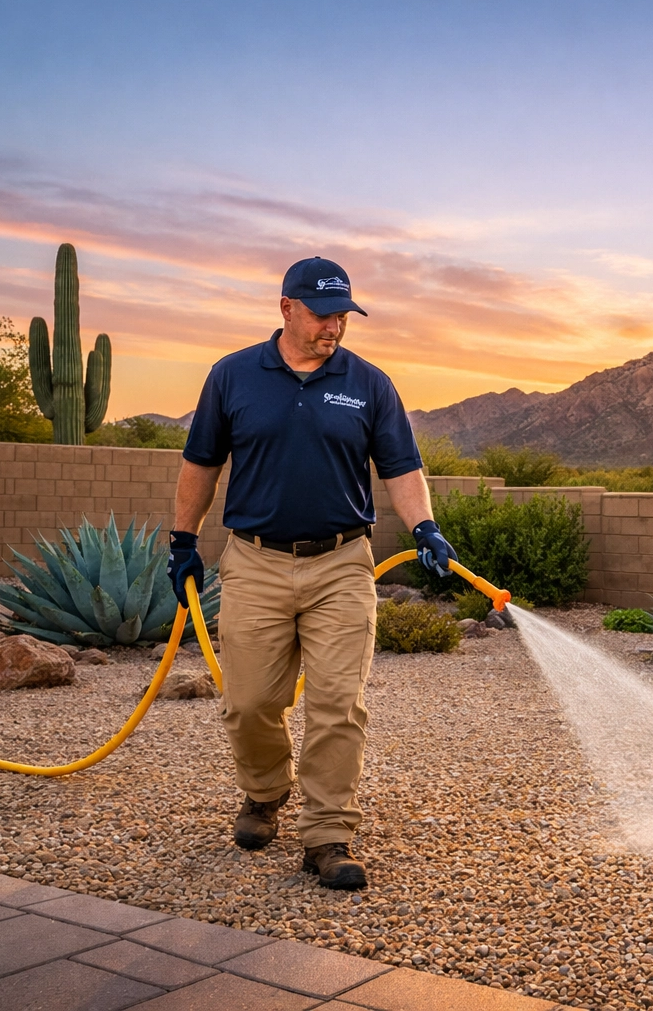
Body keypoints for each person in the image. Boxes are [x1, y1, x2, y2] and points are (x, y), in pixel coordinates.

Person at [167, 256, 457, 889]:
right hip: (255, 562)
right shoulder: (233, 375)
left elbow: (402, 468)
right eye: (323, 314)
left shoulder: (370, 384)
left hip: (342, 564)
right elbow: (201, 463)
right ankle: (266, 790)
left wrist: (425, 527)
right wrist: (182, 540)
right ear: (286, 309)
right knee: (249, 703)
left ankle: (328, 833)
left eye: (342, 315)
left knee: (337, 704)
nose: (334, 326)